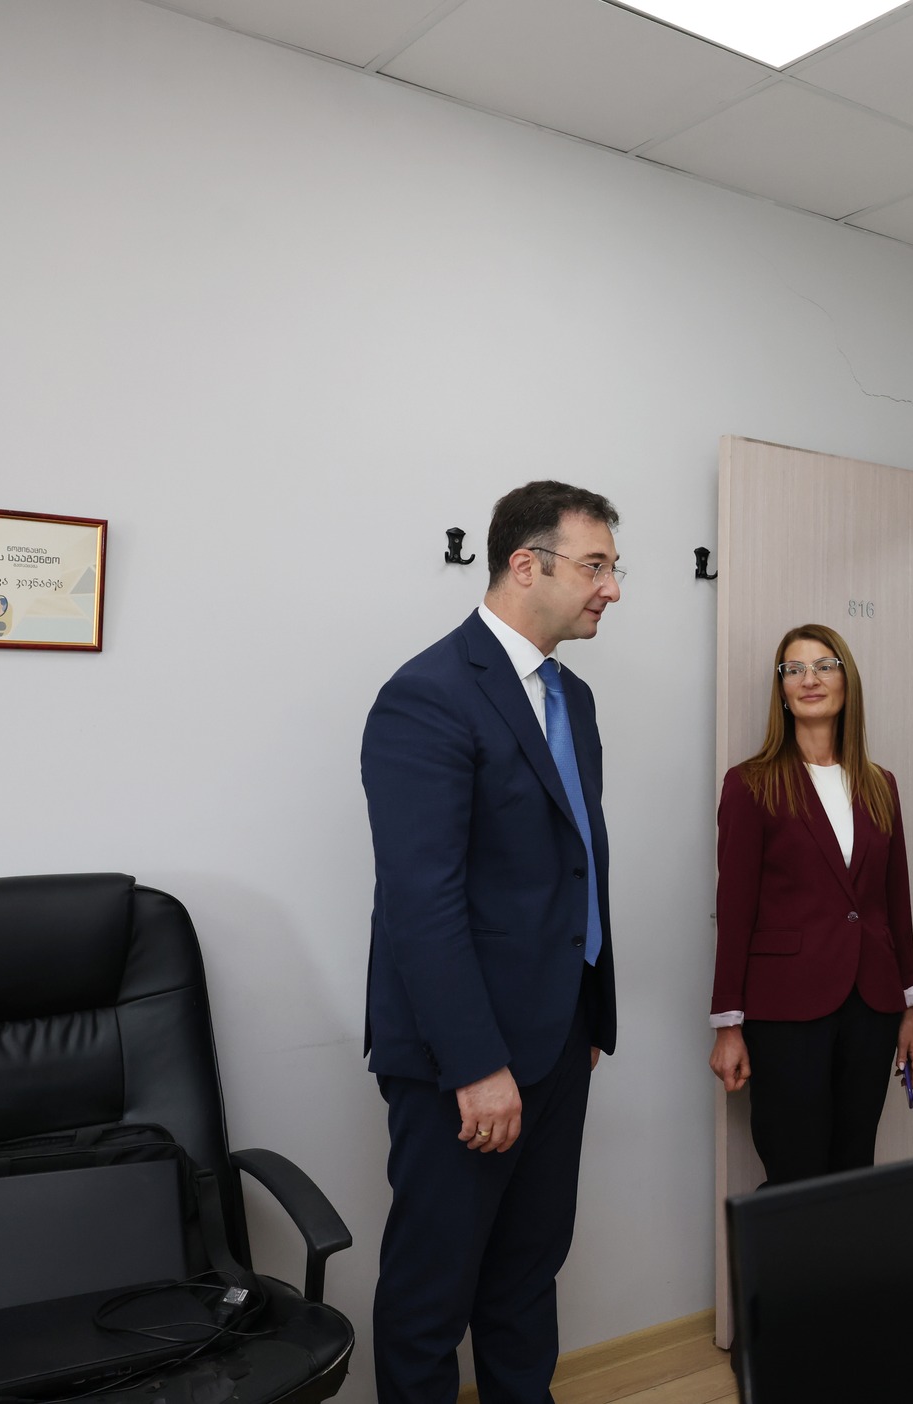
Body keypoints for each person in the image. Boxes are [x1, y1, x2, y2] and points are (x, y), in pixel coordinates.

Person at [361, 480, 625, 1404]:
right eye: (596, 566)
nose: (613, 588)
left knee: (526, 1274)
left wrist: (585, 1015)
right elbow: (421, 903)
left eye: (613, 567)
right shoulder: (427, 695)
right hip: (463, 1055)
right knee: (433, 1290)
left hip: (558, 1037)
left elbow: (570, 864)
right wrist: (476, 1065)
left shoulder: (571, 698)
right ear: (526, 565)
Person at [708, 624, 913, 1184]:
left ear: (847, 682)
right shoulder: (750, 784)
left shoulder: (880, 784)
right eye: (794, 669)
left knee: (854, 1169)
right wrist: (727, 1023)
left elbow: (895, 902)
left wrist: (908, 1008)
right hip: (785, 1008)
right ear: (781, 690)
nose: (810, 679)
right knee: (794, 1171)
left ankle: (845, 1250)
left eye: (824, 666)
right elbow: (734, 911)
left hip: (872, 1006)